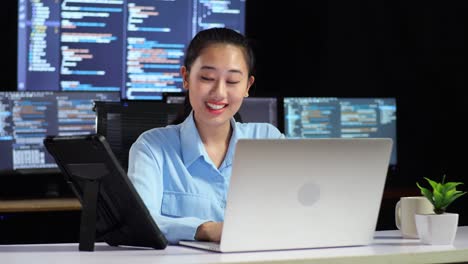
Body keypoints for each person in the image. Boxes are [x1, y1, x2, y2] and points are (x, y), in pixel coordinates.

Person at [127, 27, 284, 244]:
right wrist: (207, 230)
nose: (219, 92)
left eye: (232, 81)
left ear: (247, 86)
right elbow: (140, 223)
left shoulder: (267, 140)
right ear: (186, 77)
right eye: (207, 77)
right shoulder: (152, 147)